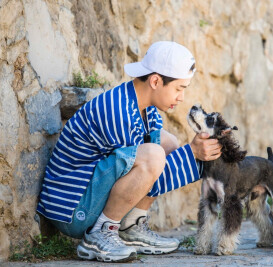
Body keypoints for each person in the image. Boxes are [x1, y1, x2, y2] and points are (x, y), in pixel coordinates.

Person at [36, 41, 222, 262]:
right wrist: (191, 153)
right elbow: (149, 169)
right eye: (179, 88)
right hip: (72, 208)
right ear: (155, 81)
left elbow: (152, 171)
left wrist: (190, 153)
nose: (181, 97)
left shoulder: (145, 107)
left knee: (168, 142)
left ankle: (130, 226)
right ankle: (101, 233)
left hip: (89, 192)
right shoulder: (118, 111)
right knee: (154, 155)